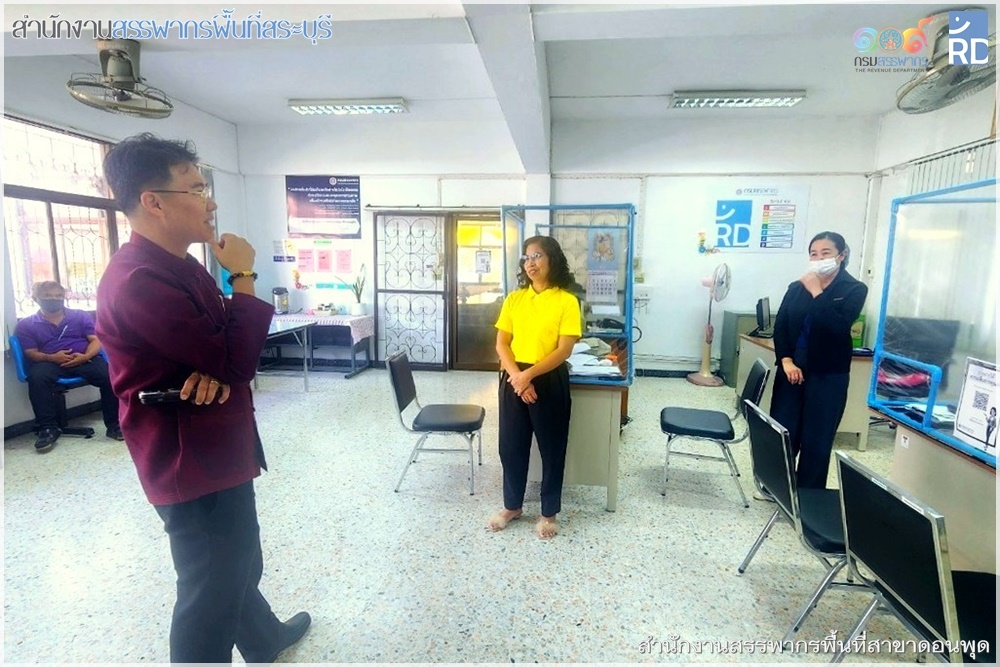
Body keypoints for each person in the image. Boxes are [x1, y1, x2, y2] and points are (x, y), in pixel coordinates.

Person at [96, 133, 310, 663]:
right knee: (210, 586)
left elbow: (222, 353)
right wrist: (243, 276)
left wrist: (218, 365)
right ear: (153, 201)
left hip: (216, 442)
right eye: (195, 189)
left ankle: (263, 639)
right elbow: (234, 360)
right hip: (186, 456)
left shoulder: (182, 264)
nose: (210, 202)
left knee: (238, 561)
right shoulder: (139, 278)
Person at [489, 235, 581, 539]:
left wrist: (527, 376)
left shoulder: (567, 301)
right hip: (514, 377)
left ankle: (548, 513)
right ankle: (512, 506)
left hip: (548, 378)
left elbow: (564, 350)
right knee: (511, 446)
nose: (531, 263)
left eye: (537, 256)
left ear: (553, 259)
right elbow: (502, 344)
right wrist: (518, 377)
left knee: (552, 448)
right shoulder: (514, 299)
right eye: (527, 257)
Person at [769, 231, 868, 490]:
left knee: (818, 437)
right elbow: (781, 325)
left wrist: (816, 291)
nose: (818, 258)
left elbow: (836, 326)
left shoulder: (854, 289)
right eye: (814, 254)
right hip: (792, 370)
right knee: (783, 429)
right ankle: (776, 486)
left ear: (841, 255)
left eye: (825, 253)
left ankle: (809, 494)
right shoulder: (796, 287)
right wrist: (786, 360)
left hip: (828, 374)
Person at [14, 280, 123, 452]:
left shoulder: (79, 316)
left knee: (111, 375)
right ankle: (48, 429)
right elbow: (31, 352)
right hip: (49, 362)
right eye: (47, 296)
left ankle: (115, 425)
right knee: (37, 378)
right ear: (36, 298)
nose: (54, 299)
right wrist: (52, 357)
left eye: (58, 295)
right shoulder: (26, 324)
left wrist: (85, 356)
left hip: (83, 358)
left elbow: (96, 340)